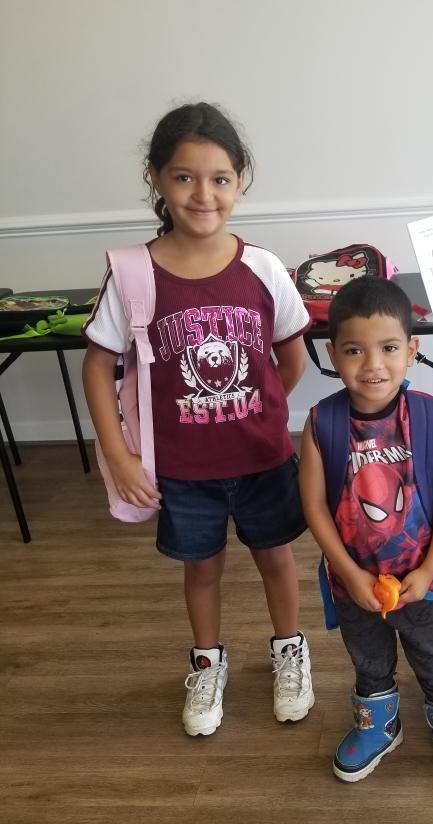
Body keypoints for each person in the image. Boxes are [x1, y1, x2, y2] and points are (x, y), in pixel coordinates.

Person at [82, 102, 314, 737]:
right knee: (202, 567)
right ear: (157, 179)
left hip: (263, 457)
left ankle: (289, 648)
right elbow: (98, 367)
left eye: (219, 178)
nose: (202, 193)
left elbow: (290, 357)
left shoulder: (264, 268)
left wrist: (257, 405)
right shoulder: (132, 272)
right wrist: (121, 456)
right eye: (184, 177)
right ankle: (207, 661)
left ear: (241, 181)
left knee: (275, 557)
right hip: (182, 470)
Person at [299, 277, 433, 793]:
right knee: (368, 657)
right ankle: (379, 725)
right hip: (354, 584)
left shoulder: (430, 415)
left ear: (411, 351)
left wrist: (429, 568)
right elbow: (315, 510)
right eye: (354, 350)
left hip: (424, 580)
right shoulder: (322, 422)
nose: (373, 364)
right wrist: (349, 574)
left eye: (389, 348)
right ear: (332, 354)